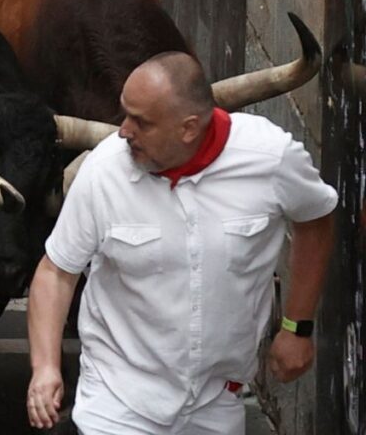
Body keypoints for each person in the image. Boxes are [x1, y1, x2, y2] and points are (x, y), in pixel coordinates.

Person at [26, 52, 337, 434]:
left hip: (216, 400)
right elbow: (56, 271)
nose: (123, 131)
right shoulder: (103, 171)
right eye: (125, 113)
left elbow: (316, 216)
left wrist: (297, 325)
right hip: (117, 397)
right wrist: (45, 367)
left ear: (189, 128)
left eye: (140, 122)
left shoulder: (271, 158)